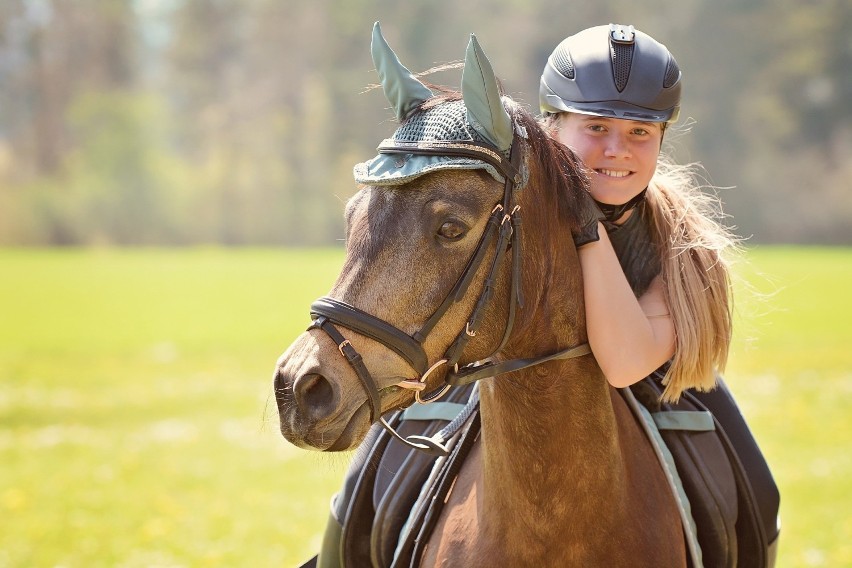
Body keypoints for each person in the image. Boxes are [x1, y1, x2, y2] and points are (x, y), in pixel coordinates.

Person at [539, 23, 780, 563]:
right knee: (377, 469)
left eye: (640, 133)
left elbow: (625, 363)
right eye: (595, 126)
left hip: (660, 389)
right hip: (507, 381)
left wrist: (582, 223)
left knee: (759, 493)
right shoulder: (507, 213)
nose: (616, 150)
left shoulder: (685, 246)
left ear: (662, 139)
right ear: (552, 127)